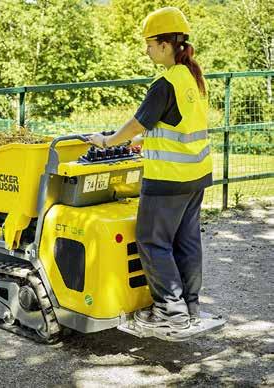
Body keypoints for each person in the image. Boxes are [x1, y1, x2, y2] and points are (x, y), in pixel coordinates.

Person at [87, 7, 212, 330]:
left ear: (165, 45)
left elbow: (135, 123)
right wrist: (147, 141)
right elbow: (178, 126)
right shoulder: (194, 79)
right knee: (187, 241)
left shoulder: (165, 83)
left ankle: (170, 310)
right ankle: (190, 304)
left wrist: (107, 140)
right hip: (196, 176)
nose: (147, 50)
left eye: (149, 43)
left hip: (167, 179)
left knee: (152, 240)